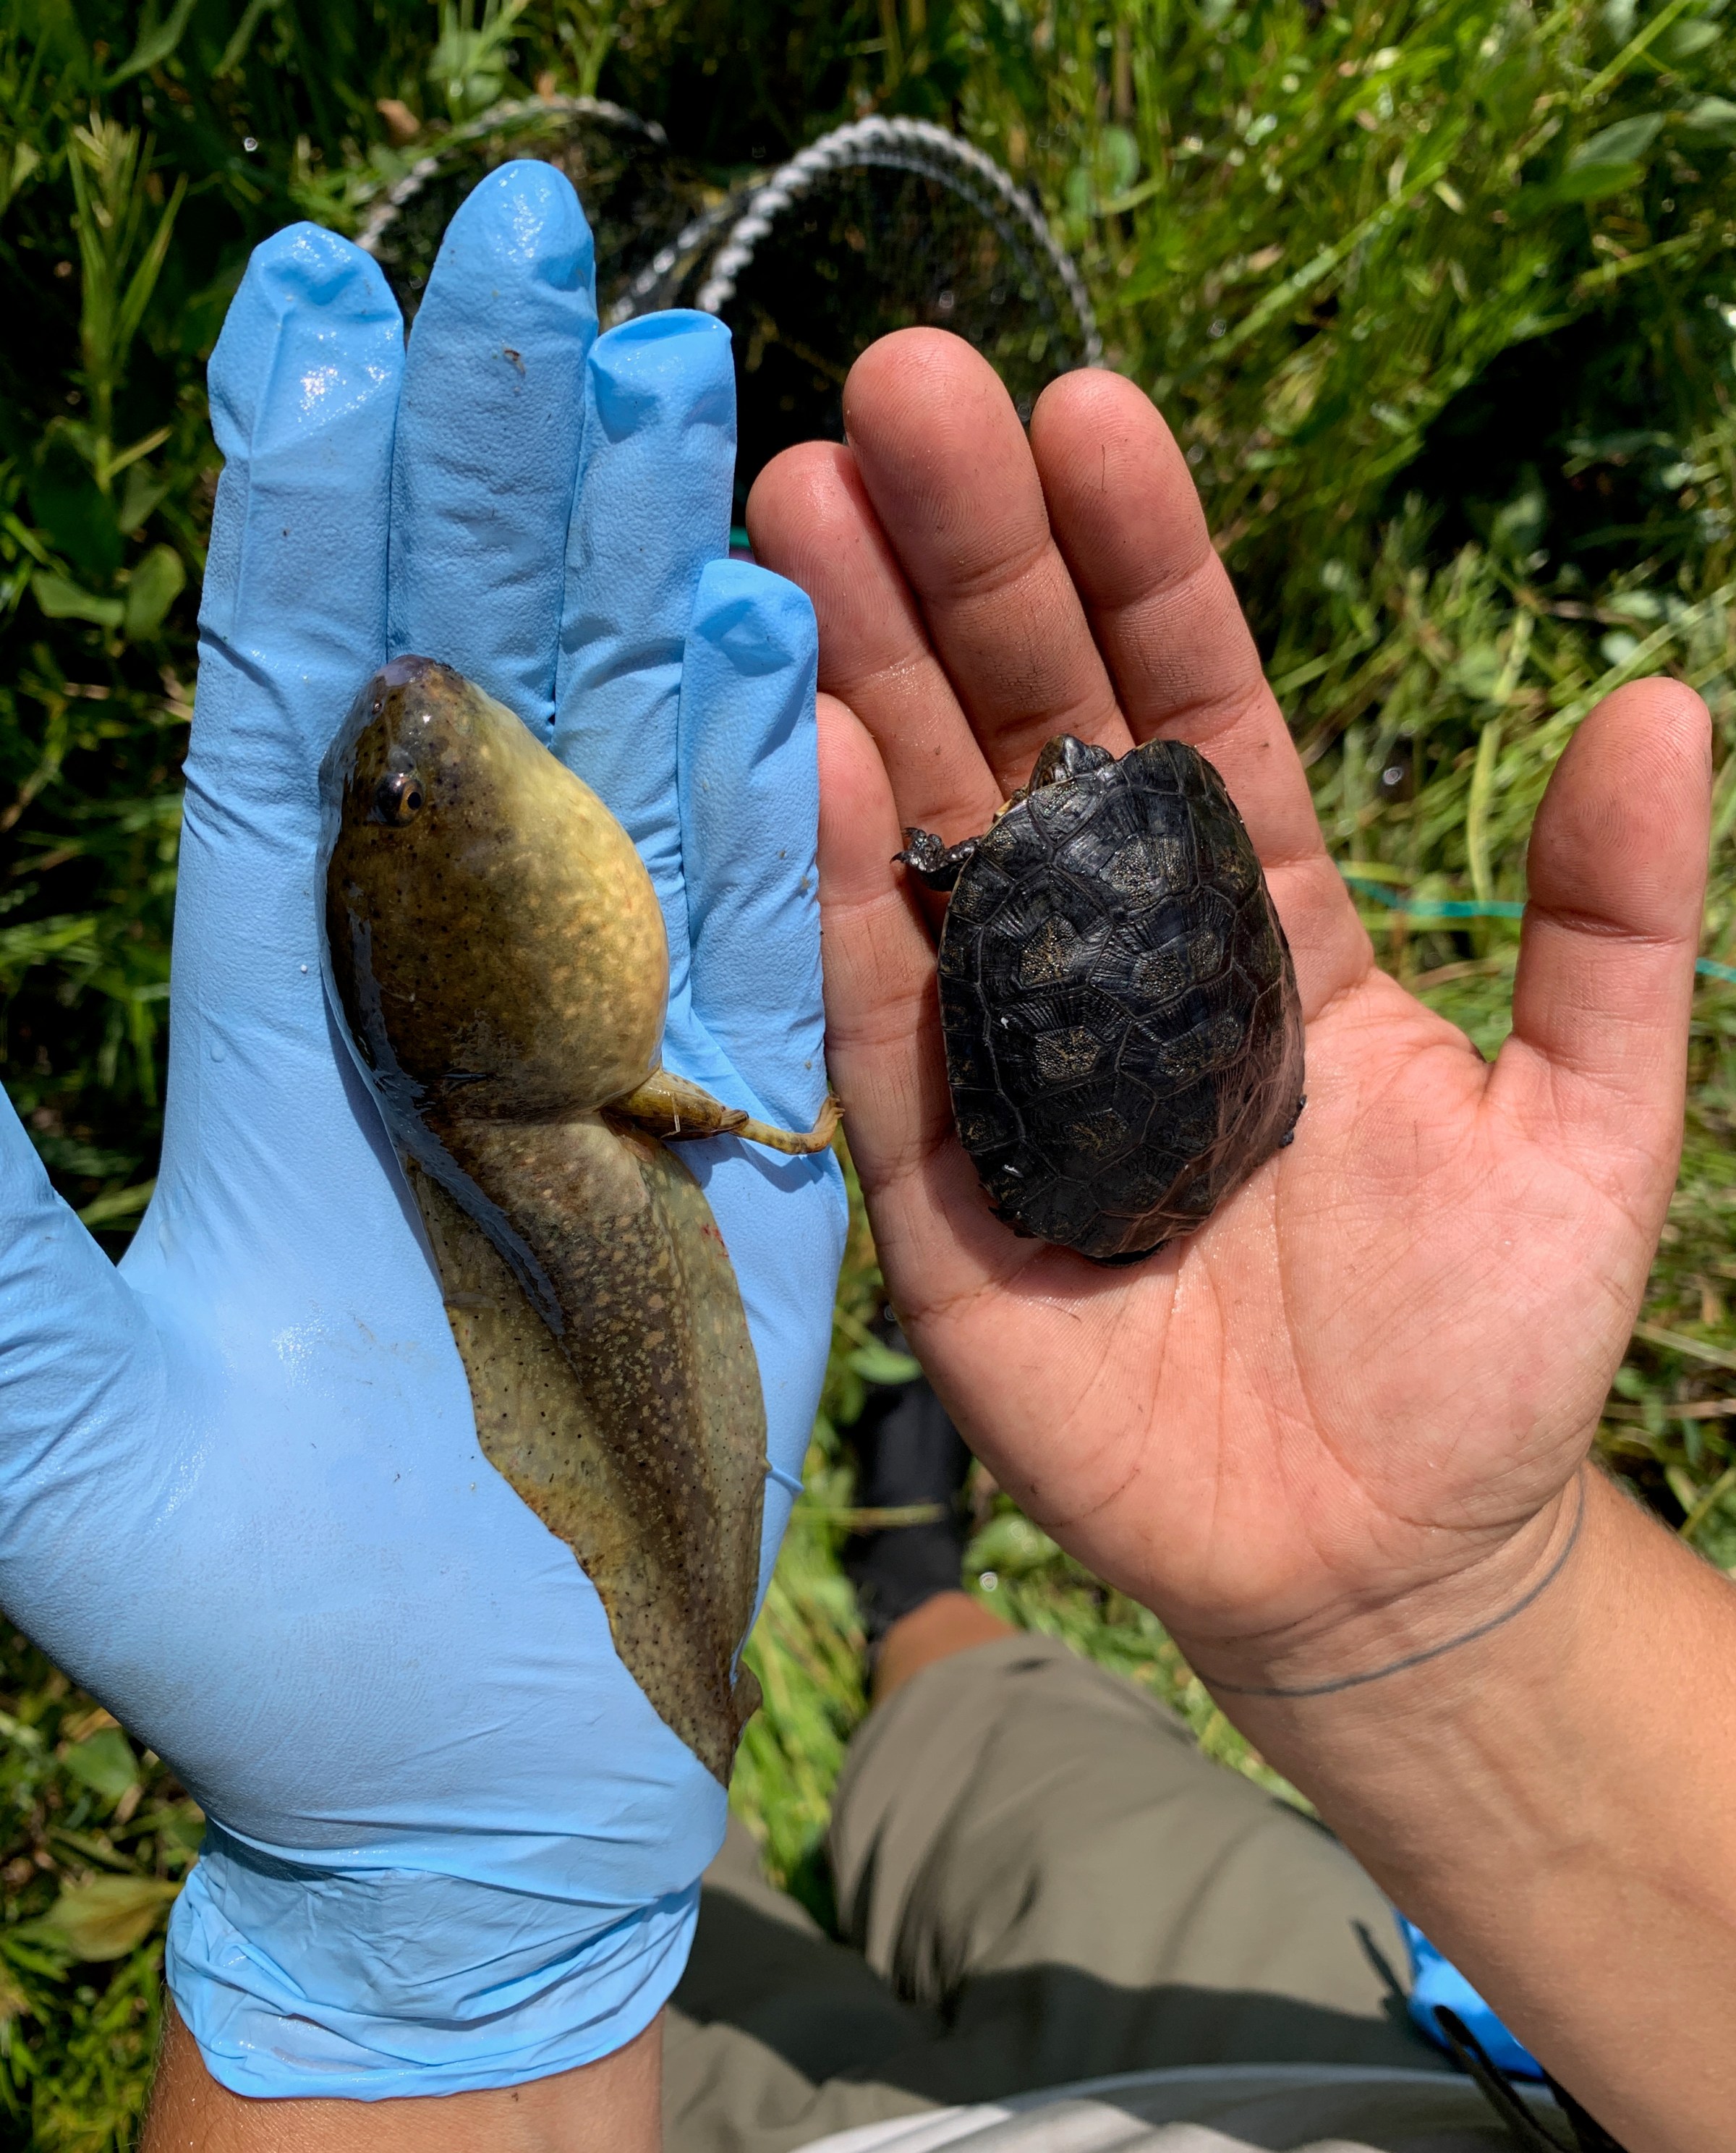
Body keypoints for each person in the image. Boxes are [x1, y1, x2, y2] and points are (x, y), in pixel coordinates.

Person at [0, 160, 1727, 2153]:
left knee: (677, 1918)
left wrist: (459, 1981)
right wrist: (1454, 1620)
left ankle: (729, 1795)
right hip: (1414, 2053)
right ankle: (923, 1608)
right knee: (1026, 1743)